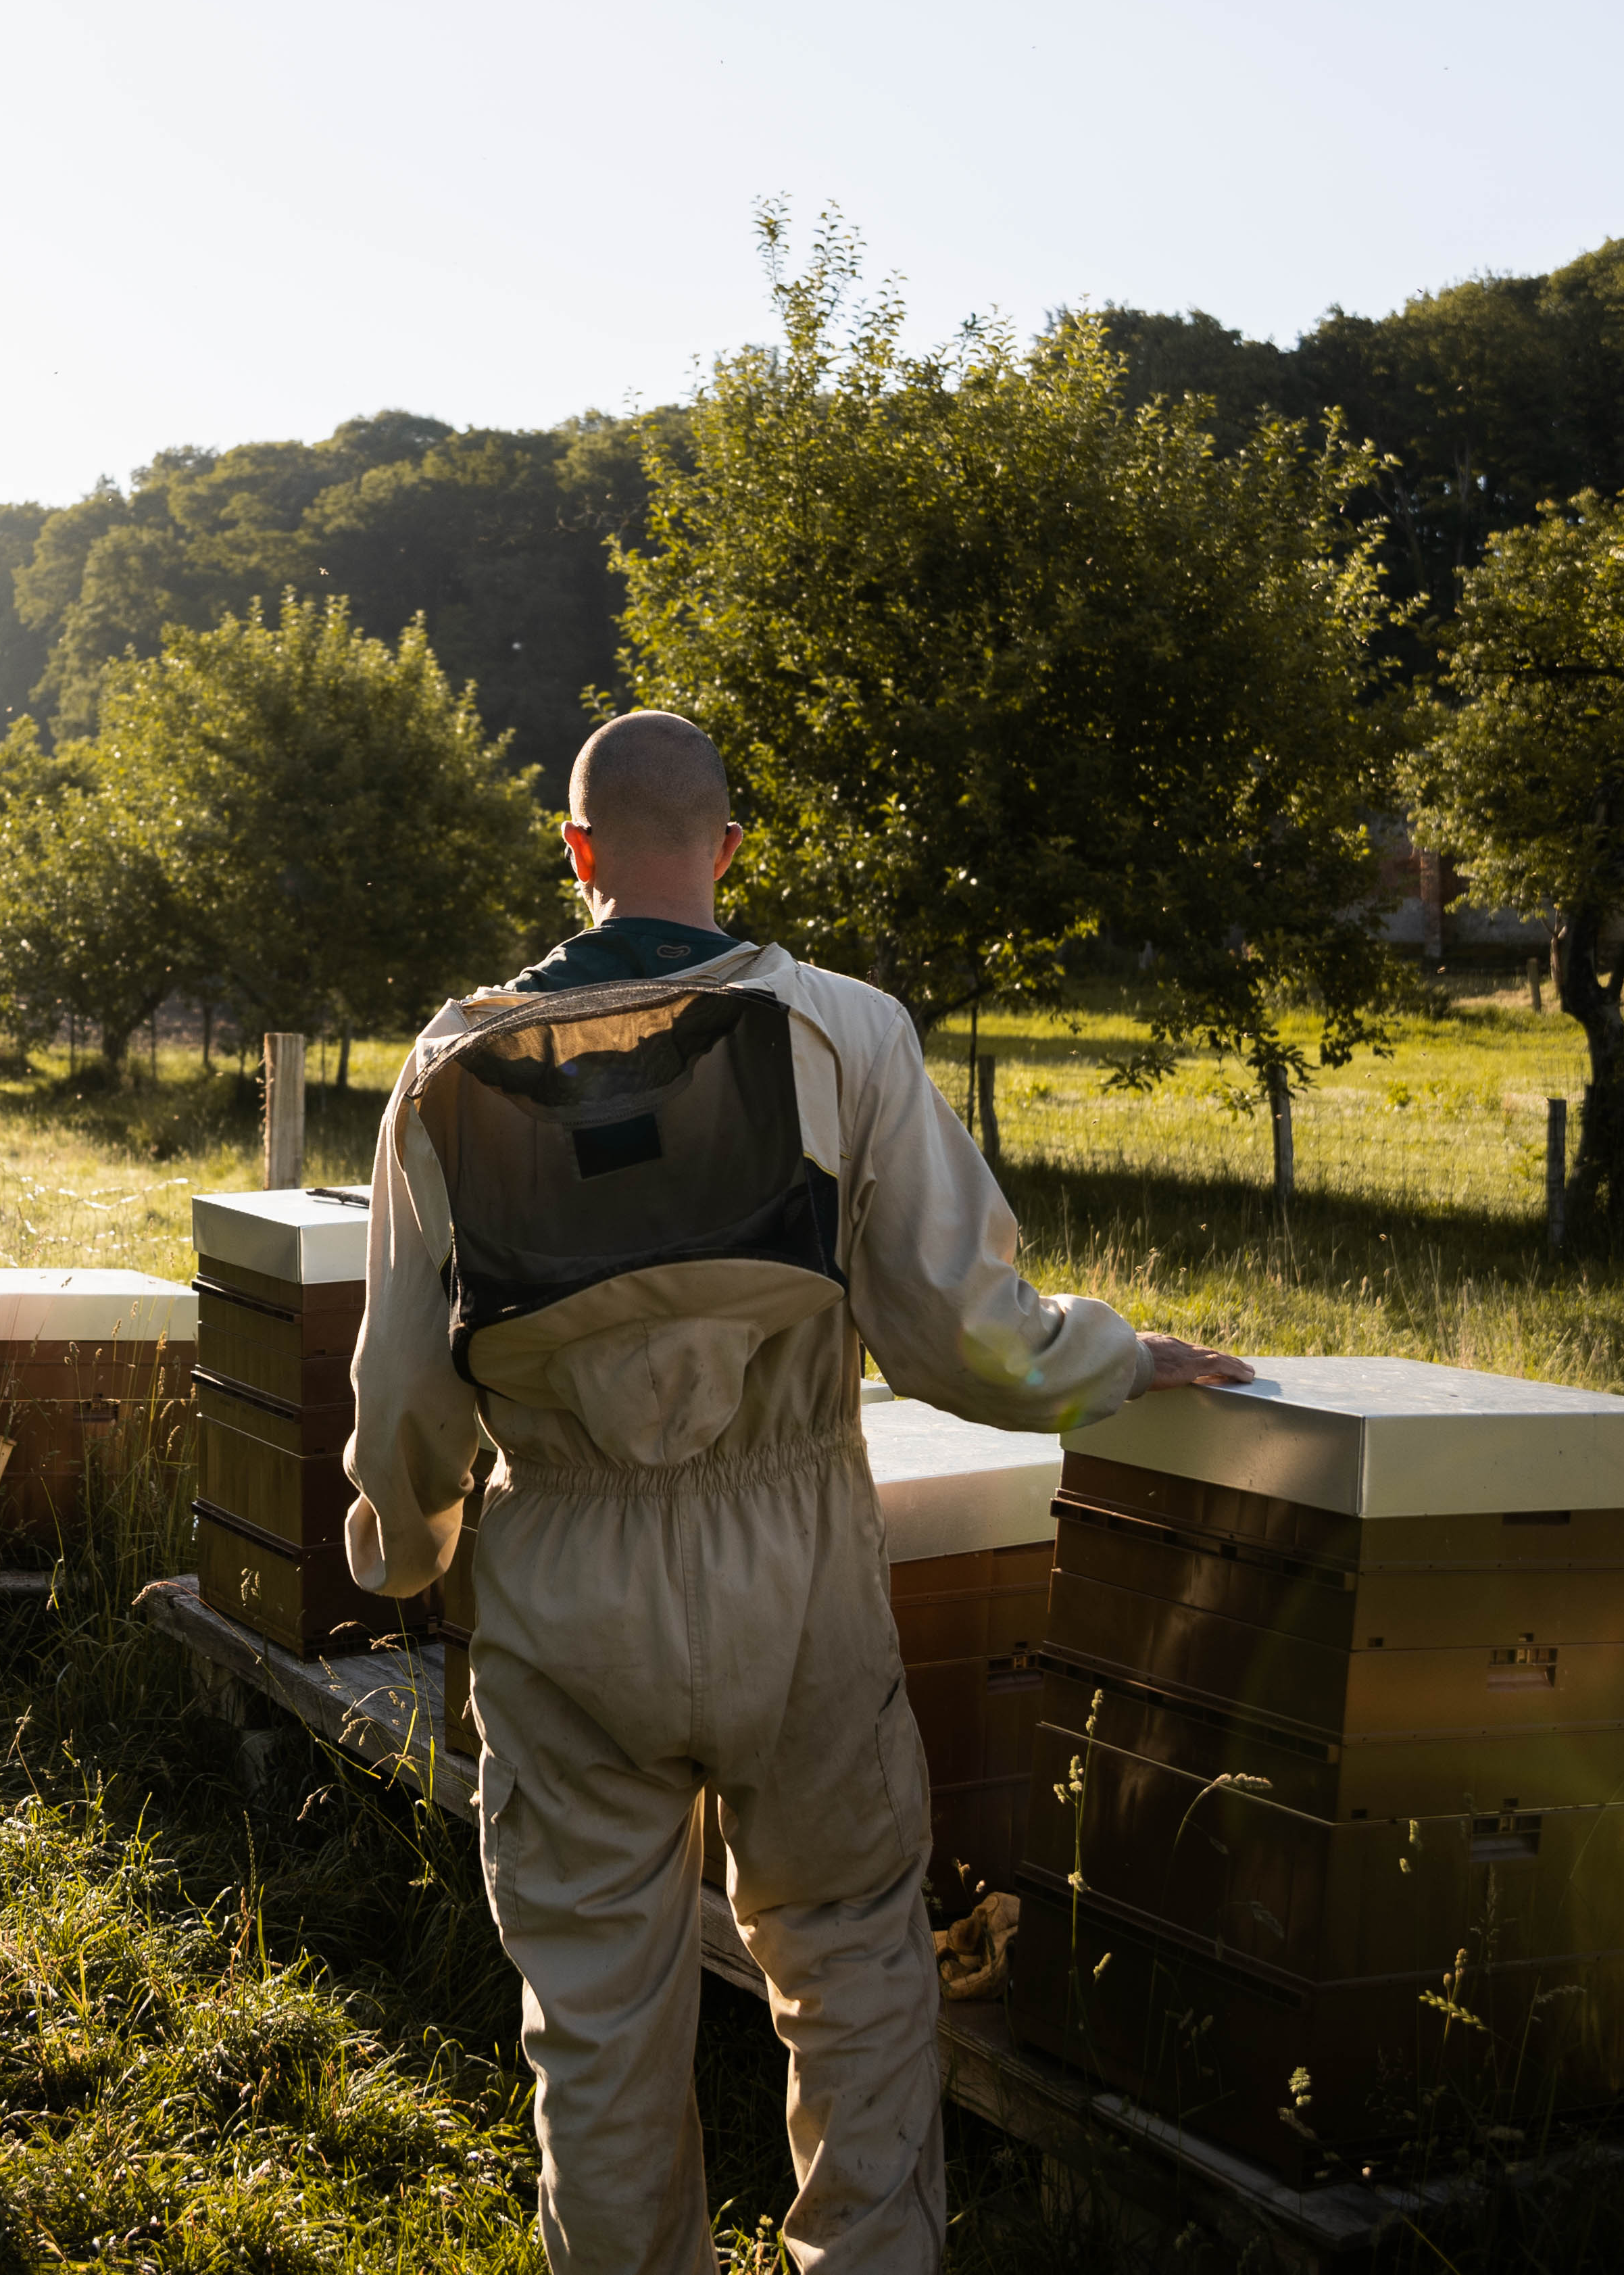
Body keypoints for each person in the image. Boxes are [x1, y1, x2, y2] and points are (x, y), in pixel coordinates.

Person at [343, 711, 1244, 2275]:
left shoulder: (449, 1064)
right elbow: (966, 1336)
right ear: (729, 846)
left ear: (578, 854)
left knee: (604, 2023)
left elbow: (406, 1389)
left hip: (561, 1579)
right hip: (800, 1567)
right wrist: (1112, 1356)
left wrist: (408, 1543)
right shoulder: (843, 1028)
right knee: (855, 1978)